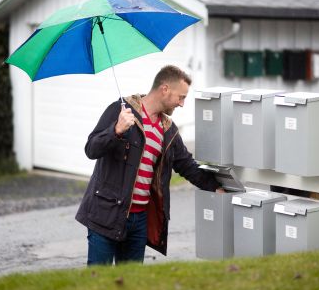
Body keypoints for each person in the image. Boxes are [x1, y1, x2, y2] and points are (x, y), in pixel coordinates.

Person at [75, 65, 222, 265]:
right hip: (106, 214)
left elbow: (188, 166)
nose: (182, 104)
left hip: (139, 220)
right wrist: (116, 130)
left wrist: (216, 187)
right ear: (165, 89)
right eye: (181, 97)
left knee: (131, 283)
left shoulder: (168, 130)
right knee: (99, 281)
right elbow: (91, 149)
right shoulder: (120, 111)